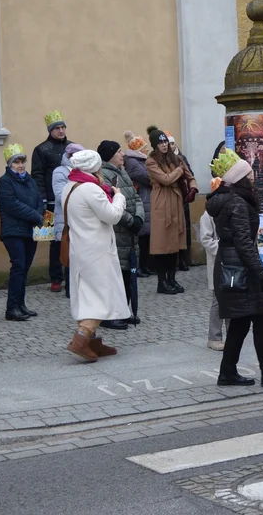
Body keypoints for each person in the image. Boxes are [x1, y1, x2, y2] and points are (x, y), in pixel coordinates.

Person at [206, 150, 263, 387]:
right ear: (240, 179)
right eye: (249, 173)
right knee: (258, 320)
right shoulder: (237, 202)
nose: (254, 176)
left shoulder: (230, 199)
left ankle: (229, 372)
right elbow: (244, 243)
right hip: (240, 269)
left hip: (232, 265)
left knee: (243, 322)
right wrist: (262, 273)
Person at [61, 149, 131, 362]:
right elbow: (112, 215)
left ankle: (92, 341)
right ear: (94, 168)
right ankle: (81, 338)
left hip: (80, 248)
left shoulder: (70, 186)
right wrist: (119, 197)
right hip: (96, 250)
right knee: (102, 296)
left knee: (86, 296)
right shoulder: (91, 189)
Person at [146, 126, 197, 295]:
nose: (164, 145)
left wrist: (193, 188)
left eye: (165, 142)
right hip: (161, 202)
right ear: (154, 145)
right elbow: (165, 179)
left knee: (175, 243)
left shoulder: (176, 158)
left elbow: (190, 176)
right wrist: (179, 170)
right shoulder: (151, 161)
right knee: (162, 245)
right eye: (160, 143)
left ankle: (172, 278)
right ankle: (162, 281)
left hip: (176, 202)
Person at [0, 145, 44, 322]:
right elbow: (11, 204)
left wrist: (39, 212)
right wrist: (35, 215)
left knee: (24, 268)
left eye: (22, 161)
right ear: (10, 165)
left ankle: (21, 304)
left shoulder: (30, 180)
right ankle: (12, 308)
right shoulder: (5, 181)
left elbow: (39, 199)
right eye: (16, 162)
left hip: (30, 230)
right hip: (13, 231)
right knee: (18, 266)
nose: (20, 165)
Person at [98, 140, 144, 328]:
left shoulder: (121, 171)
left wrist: (139, 217)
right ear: (109, 155)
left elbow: (135, 196)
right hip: (118, 232)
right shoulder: (105, 175)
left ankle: (123, 312)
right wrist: (131, 220)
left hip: (130, 232)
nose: (122, 154)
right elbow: (110, 203)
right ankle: (109, 316)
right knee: (115, 276)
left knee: (127, 275)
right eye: (118, 152)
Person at [32, 111, 72, 293]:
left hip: (70, 201)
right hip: (48, 202)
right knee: (52, 240)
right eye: (57, 128)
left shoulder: (73, 147)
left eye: (63, 127)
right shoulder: (41, 149)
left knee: (70, 238)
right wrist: (41, 199)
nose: (61, 131)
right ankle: (55, 278)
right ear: (50, 130)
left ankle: (70, 274)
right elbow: (37, 175)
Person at [52, 142, 85, 298]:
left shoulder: (83, 171)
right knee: (69, 252)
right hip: (66, 218)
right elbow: (60, 196)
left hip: (81, 217)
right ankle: (70, 289)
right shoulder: (60, 172)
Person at [199, 158, 224, 351]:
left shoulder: (228, 210)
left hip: (229, 262)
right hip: (218, 263)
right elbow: (206, 240)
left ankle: (232, 334)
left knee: (231, 298)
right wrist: (223, 248)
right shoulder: (207, 216)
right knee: (218, 301)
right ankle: (214, 336)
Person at [122, 132, 154, 277]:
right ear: (138, 149)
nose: (147, 150)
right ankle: (141, 266)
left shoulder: (140, 161)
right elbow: (148, 178)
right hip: (143, 198)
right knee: (142, 237)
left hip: (146, 198)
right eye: (144, 148)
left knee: (147, 237)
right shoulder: (133, 162)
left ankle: (146, 265)